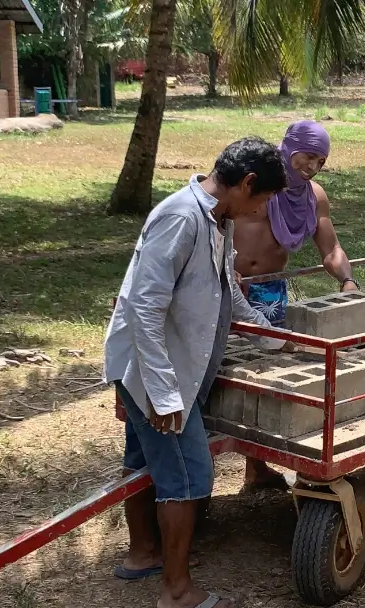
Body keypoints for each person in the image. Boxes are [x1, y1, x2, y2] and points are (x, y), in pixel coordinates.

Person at [103, 137, 290, 608]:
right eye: (262, 200)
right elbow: (144, 308)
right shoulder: (181, 216)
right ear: (247, 183)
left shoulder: (216, 219)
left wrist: (275, 338)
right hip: (154, 375)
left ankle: (143, 553)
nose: (258, 212)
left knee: (144, 462)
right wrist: (166, 396)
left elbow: (230, 291)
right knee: (188, 478)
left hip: (159, 369)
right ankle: (177, 591)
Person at [233, 120, 357, 491]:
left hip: (271, 292)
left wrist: (348, 281)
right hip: (231, 288)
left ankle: (255, 467)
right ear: (289, 147)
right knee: (229, 372)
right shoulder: (251, 183)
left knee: (267, 372)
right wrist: (220, 272)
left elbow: (331, 250)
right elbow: (213, 223)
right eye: (308, 156)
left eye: (321, 161)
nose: (313, 166)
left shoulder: (313, 196)